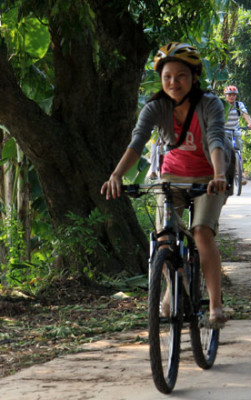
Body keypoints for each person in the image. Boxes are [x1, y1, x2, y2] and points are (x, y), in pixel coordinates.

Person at [101, 42, 230, 328]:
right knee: (163, 239)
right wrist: (117, 175)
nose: (174, 82)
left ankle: (216, 306)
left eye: (181, 76)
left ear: (194, 77)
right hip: (171, 177)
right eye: (167, 76)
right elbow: (137, 143)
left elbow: (216, 140)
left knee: (201, 233)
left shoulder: (209, 104)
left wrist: (220, 175)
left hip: (210, 179)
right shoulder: (155, 107)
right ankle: (176, 284)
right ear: (161, 79)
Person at [223, 85, 251, 184]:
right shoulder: (222, 105)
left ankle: (239, 175)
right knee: (222, 150)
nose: (232, 97)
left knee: (238, 150)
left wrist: (250, 123)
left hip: (235, 130)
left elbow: (245, 113)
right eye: (229, 95)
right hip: (224, 130)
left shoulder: (239, 105)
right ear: (225, 96)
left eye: (233, 95)